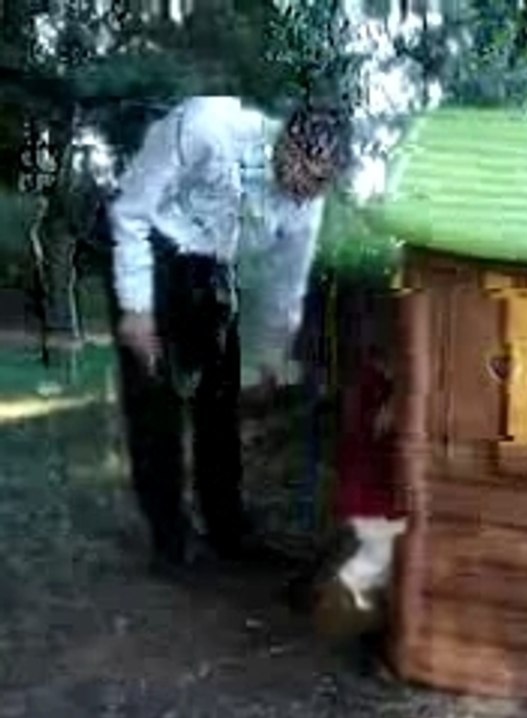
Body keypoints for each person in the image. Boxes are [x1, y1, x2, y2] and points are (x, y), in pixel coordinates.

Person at [106, 96, 349, 574]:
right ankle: (170, 541)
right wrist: (136, 308)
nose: (305, 189)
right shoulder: (207, 126)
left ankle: (228, 529)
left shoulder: (308, 203)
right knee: (154, 401)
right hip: (152, 250)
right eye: (303, 171)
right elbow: (130, 211)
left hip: (213, 271)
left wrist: (267, 359)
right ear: (285, 141)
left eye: (321, 182)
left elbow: (284, 286)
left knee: (220, 401)